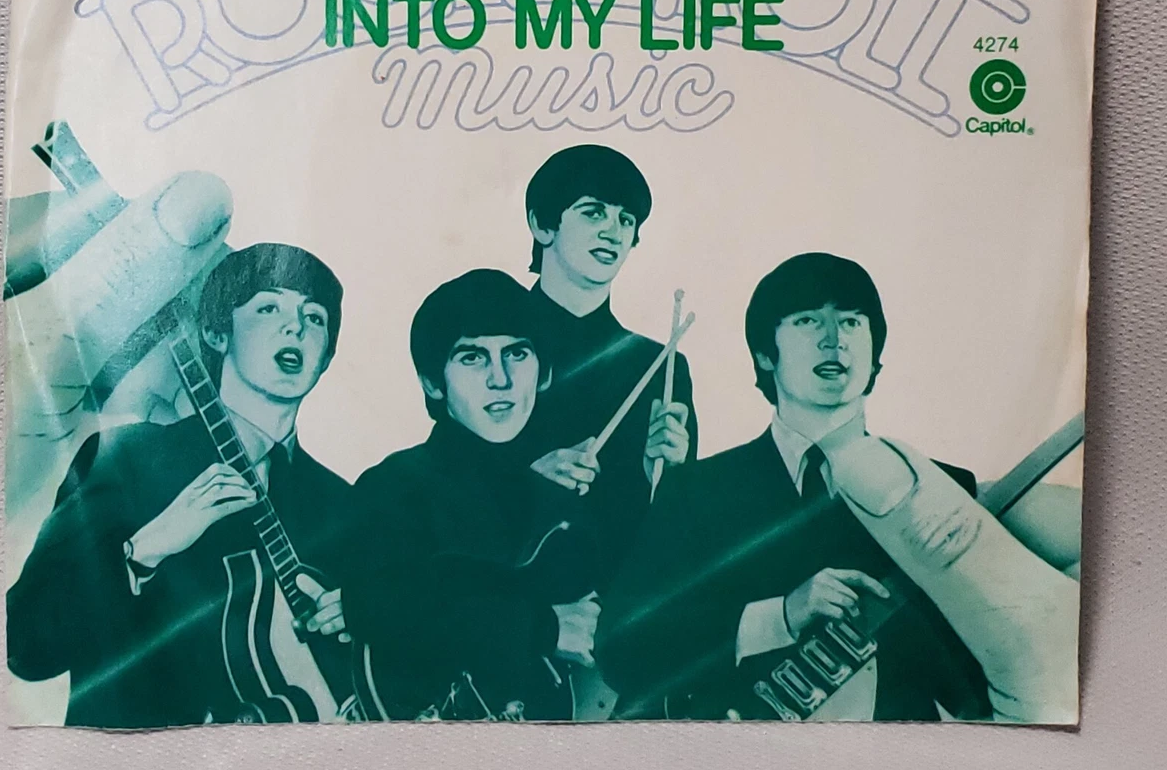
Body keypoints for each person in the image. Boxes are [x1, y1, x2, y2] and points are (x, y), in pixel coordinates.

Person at [597, 252, 1039, 721]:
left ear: (875, 350)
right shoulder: (696, 491)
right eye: (807, 321)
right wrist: (781, 615)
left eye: (851, 322)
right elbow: (621, 647)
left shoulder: (943, 490)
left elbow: (981, 683)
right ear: (765, 354)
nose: (833, 340)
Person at [7, 243, 354, 727]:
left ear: (327, 355)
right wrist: (142, 551)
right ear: (215, 332)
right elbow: (26, 646)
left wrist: (365, 623)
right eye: (268, 307)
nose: (295, 326)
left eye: (314, 317)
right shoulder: (127, 459)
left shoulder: (343, 504)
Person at [340, 269, 604, 721]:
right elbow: (380, 606)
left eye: (517, 353)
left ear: (543, 373)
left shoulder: (555, 500)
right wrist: (544, 627)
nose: (501, 379)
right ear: (432, 383)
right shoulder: (393, 486)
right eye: (472, 357)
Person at [517, 145, 695, 586]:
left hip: (617, 604)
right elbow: (446, 476)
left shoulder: (660, 365)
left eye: (626, 220)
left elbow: (676, 532)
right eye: (593, 212)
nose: (613, 232)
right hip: (502, 593)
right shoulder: (488, 345)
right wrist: (523, 485)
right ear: (542, 224)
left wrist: (672, 475)